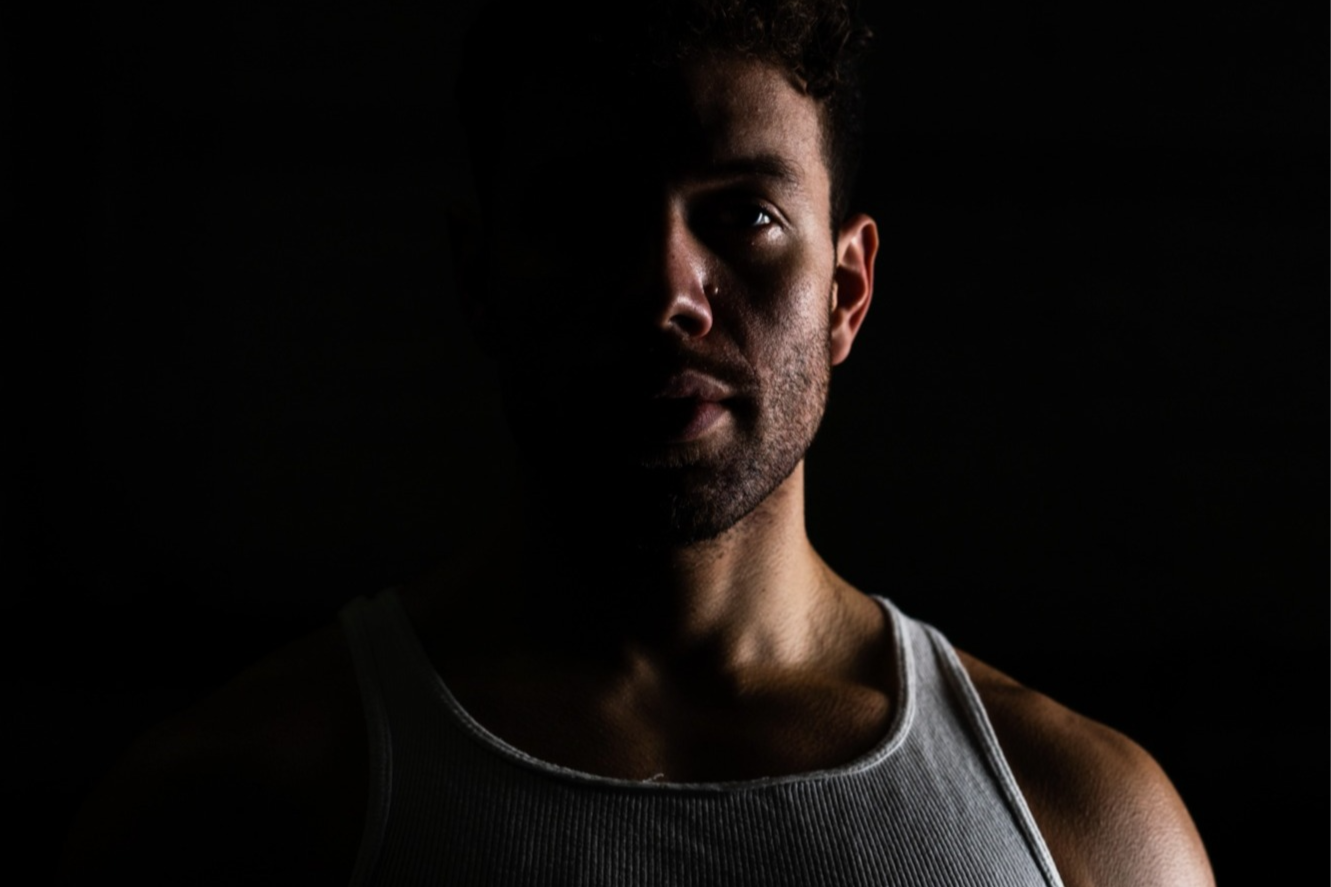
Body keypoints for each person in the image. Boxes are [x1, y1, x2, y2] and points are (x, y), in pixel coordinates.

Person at [59, 1, 1215, 884]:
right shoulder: (238, 808)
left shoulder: (1085, 831)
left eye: (744, 215)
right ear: (478, 281)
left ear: (846, 292)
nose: (667, 290)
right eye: (583, 216)